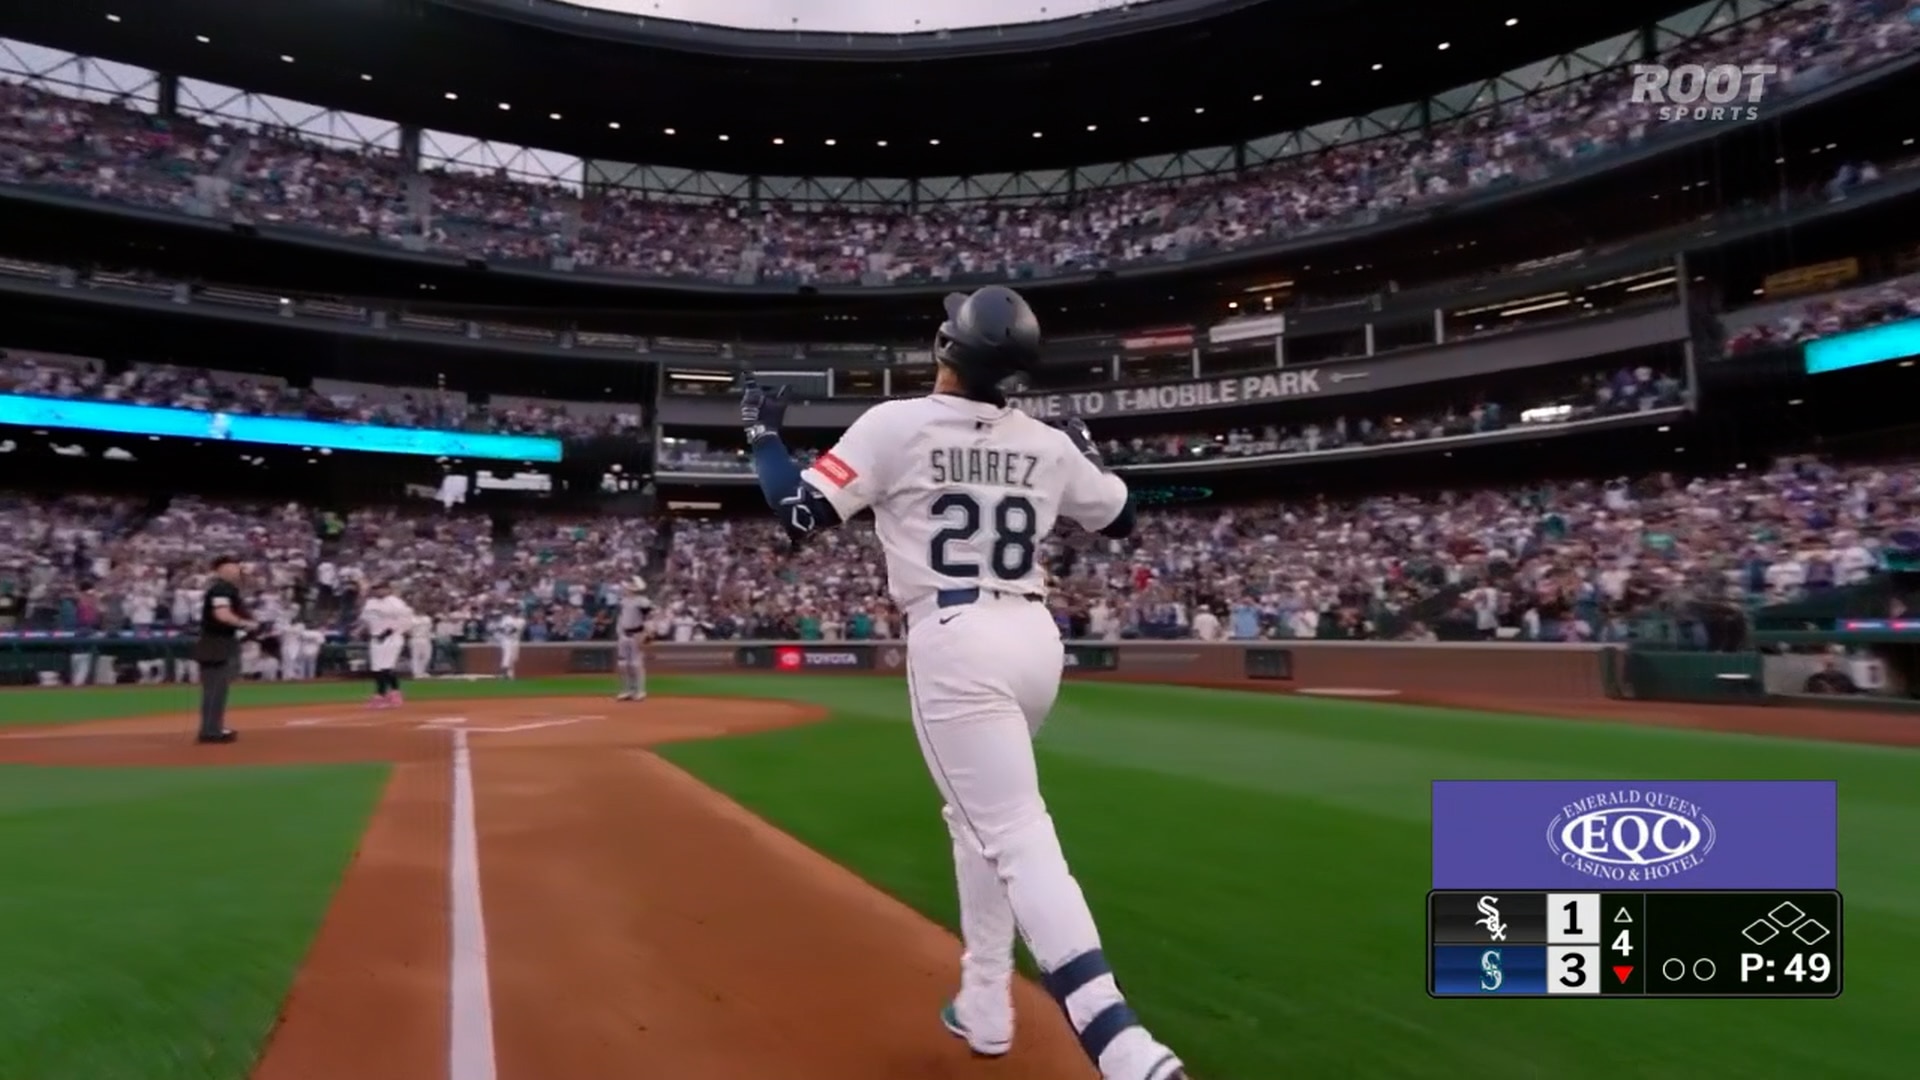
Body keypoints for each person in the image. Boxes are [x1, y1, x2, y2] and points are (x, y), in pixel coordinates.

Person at [741, 286, 1186, 1080]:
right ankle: (985, 1001)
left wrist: (761, 437)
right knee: (977, 817)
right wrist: (1087, 449)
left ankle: (1122, 1046)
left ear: (946, 347)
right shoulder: (1048, 443)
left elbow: (798, 515)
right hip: (1036, 643)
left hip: (956, 640)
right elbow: (1122, 519)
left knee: (1014, 832)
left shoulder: (896, 423)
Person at [193, 556, 256, 744]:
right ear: (222, 570)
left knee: (217, 688)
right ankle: (211, 731)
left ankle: (213, 727)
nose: (237, 570)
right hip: (217, 642)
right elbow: (222, 614)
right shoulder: (221, 588)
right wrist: (244, 623)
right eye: (232, 567)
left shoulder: (225, 589)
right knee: (215, 688)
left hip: (218, 641)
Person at [358, 581, 414, 707]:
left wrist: (391, 630)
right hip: (375, 637)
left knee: (386, 667)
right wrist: (361, 630)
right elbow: (366, 620)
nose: (378, 591)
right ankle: (391, 693)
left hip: (392, 637)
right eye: (376, 589)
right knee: (377, 668)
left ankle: (383, 694)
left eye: (381, 589)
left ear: (388, 589)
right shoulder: (370, 603)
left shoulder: (396, 602)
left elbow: (405, 620)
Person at [614, 576, 653, 701]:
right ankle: (627, 690)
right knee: (622, 664)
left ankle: (640, 691)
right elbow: (621, 618)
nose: (625, 588)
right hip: (624, 635)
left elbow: (649, 617)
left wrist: (647, 634)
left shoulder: (642, 601)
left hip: (636, 634)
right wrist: (619, 632)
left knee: (636, 664)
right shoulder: (623, 601)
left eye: (628, 586)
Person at [494, 608, 525, 679]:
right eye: (515, 611)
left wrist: (506, 632)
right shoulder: (506, 619)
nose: (516, 613)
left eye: (518, 612)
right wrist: (503, 632)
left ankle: (509, 674)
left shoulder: (521, 621)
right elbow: (500, 628)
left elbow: (515, 629)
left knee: (514, 658)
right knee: (508, 654)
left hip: (515, 640)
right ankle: (505, 673)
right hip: (506, 640)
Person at [407, 613, 434, 680]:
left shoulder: (427, 618)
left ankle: (421, 671)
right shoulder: (411, 619)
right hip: (415, 638)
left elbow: (430, 629)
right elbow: (408, 631)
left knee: (427, 656)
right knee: (416, 656)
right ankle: (416, 673)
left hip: (426, 639)